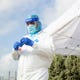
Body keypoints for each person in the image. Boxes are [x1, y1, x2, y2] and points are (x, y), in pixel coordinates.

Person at [12, 14, 55, 80]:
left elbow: (50, 52)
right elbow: (15, 58)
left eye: (31, 23)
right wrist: (15, 50)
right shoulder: (25, 37)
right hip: (22, 76)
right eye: (27, 23)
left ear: (37, 23)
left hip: (38, 75)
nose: (29, 25)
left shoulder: (45, 36)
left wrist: (33, 44)